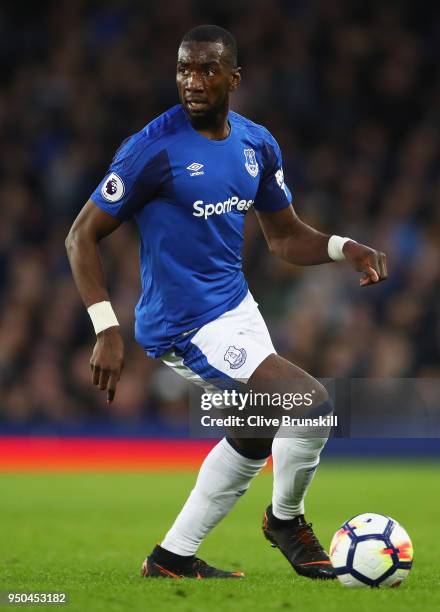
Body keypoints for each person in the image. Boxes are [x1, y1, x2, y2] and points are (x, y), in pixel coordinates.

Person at [66, 25, 387, 580]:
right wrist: (105, 328)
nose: (192, 81)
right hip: (184, 324)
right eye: (184, 69)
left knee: (256, 429)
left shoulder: (255, 144)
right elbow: (80, 236)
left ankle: (171, 559)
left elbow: (284, 236)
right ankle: (286, 521)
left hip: (237, 309)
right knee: (310, 404)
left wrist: (342, 247)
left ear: (233, 78)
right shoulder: (152, 148)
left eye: (207, 69)